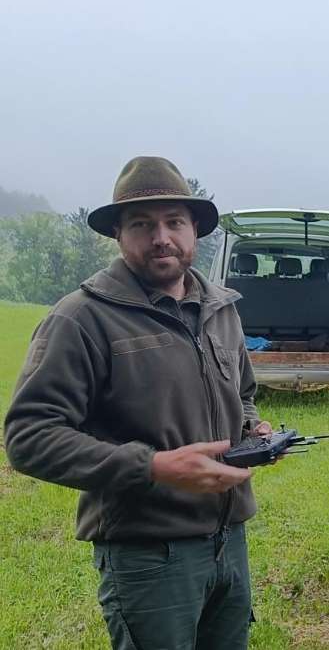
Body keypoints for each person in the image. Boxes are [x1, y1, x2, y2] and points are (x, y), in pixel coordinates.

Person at [4, 156, 271, 650]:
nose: (161, 237)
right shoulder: (81, 320)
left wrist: (252, 430)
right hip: (150, 555)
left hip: (229, 542)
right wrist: (153, 466)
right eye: (142, 224)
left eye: (174, 222)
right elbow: (27, 437)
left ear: (195, 231)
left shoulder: (221, 310)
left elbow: (244, 395)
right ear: (119, 236)